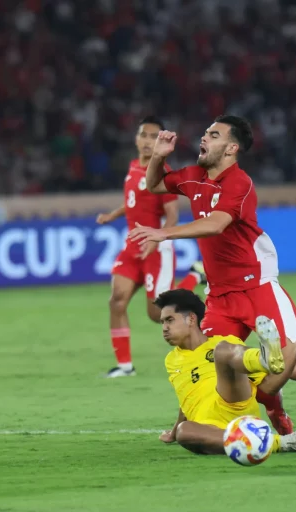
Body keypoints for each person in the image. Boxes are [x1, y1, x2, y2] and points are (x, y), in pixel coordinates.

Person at [129, 115, 296, 434]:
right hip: (220, 296)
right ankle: (269, 405)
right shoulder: (194, 176)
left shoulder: (239, 183)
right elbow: (154, 185)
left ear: (231, 148)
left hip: (257, 286)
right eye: (206, 132)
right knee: (209, 360)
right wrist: (157, 157)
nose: (204, 138)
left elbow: (216, 224)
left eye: (214, 135)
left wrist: (164, 233)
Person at [96, 117, 205, 378]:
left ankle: (195, 275)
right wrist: (113, 215)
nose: (147, 141)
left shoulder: (162, 173)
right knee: (116, 301)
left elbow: (172, 216)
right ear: (136, 139)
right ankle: (125, 367)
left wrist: (157, 240)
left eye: (154, 137)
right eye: (143, 135)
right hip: (132, 247)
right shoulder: (133, 167)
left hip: (156, 248)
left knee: (157, 314)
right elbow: (134, 201)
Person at [156, 289, 296, 455]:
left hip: (236, 407)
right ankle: (282, 443)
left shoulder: (226, 342)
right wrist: (174, 432)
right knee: (184, 431)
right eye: (162, 322)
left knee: (222, 351)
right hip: (209, 429)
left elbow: (269, 387)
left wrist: (295, 351)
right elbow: (186, 398)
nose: (164, 328)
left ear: (191, 318)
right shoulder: (171, 360)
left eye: (170, 320)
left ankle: (263, 359)